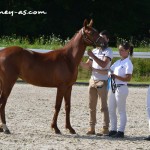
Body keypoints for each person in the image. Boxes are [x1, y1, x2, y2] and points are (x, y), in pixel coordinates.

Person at [80, 30, 113, 136]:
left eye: (104, 38)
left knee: (103, 106)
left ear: (107, 40)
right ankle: (92, 127)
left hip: (102, 81)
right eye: (100, 38)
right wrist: (77, 60)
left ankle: (105, 128)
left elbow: (103, 64)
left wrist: (92, 57)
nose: (101, 40)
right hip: (92, 80)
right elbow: (87, 65)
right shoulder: (94, 51)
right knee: (91, 106)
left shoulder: (108, 51)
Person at [108, 42, 134, 138]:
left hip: (122, 88)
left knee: (121, 110)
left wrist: (116, 76)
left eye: (122, 50)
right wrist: (110, 74)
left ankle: (121, 131)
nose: (120, 52)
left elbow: (128, 78)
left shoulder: (128, 63)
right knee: (111, 109)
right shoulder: (118, 62)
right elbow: (110, 70)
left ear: (127, 51)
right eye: (119, 50)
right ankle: (113, 129)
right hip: (113, 87)